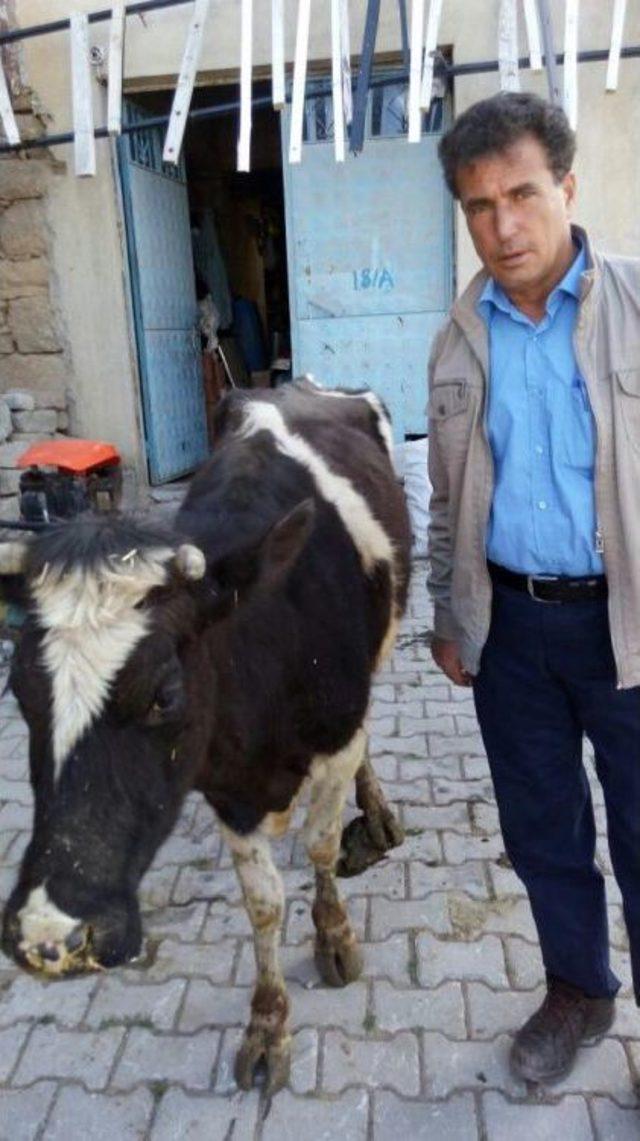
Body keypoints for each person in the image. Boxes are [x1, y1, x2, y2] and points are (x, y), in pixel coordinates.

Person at [427, 90, 640, 1084]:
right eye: (478, 206)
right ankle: (577, 989)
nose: (502, 227)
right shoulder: (458, 338)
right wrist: (448, 613)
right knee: (542, 830)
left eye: (521, 193)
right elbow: (447, 494)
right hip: (511, 629)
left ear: (565, 185)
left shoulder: (634, 307)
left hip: (628, 627)